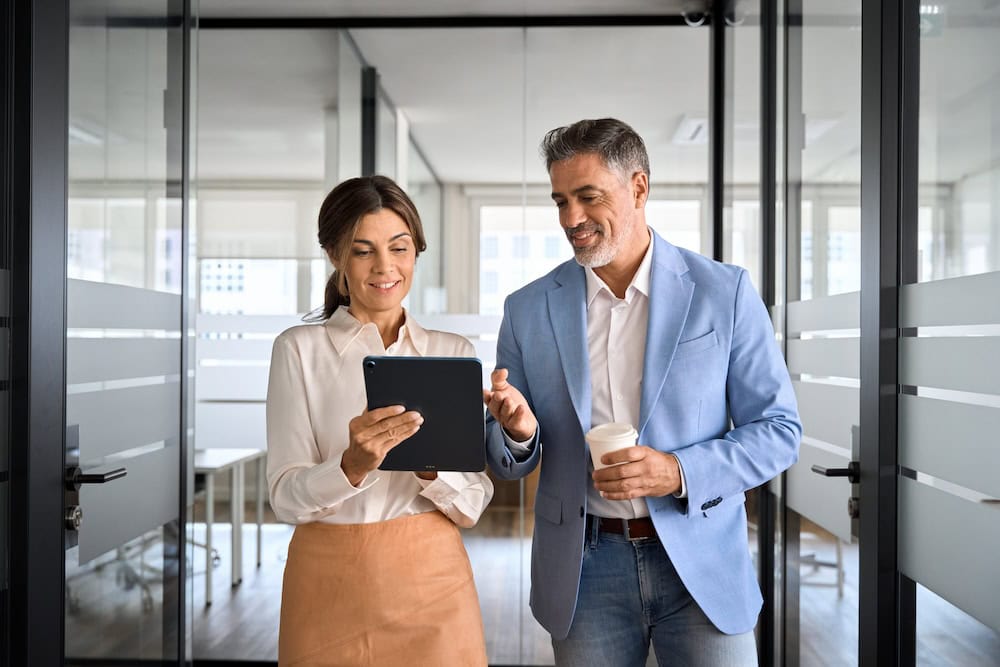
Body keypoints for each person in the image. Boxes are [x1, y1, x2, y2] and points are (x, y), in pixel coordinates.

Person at [483, 118, 801, 666]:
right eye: (560, 201)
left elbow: (779, 432)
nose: (571, 219)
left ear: (639, 188)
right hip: (584, 570)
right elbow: (506, 457)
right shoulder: (527, 308)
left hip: (700, 561)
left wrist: (678, 471)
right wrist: (516, 434)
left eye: (588, 197)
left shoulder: (724, 292)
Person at [266, 175, 493, 667]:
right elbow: (284, 498)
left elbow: (473, 503)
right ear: (335, 256)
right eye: (362, 250)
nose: (385, 267)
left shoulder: (452, 353)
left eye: (399, 247)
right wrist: (349, 466)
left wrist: (431, 469)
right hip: (326, 585)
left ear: (416, 252)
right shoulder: (298, 350)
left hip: (434, 584)